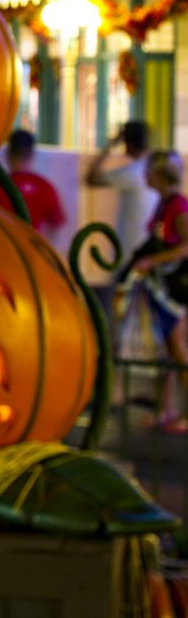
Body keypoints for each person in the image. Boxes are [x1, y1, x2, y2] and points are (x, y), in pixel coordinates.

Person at [123, 150, 188, 432]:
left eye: (148, 170)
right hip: (165, 286)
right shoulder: (164, 203)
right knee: (166, 350)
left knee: (177, 348)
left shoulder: (177, 205)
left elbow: (186, 246)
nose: (144, 175)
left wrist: (152, 260)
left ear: (159, 173)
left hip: (176, 288)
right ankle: (168, 409)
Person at [0, 129, 66, 237]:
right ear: (32, 154)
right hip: (32, 250)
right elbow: (56, 224)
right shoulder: (45, 187)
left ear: (8, 153)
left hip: (2, 249)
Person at [88, 120, 151, 254]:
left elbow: (91, 178)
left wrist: (111, 144)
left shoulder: (132, 173)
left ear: (128, 144)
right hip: (149, 245)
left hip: (131, 245)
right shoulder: (154, 167)